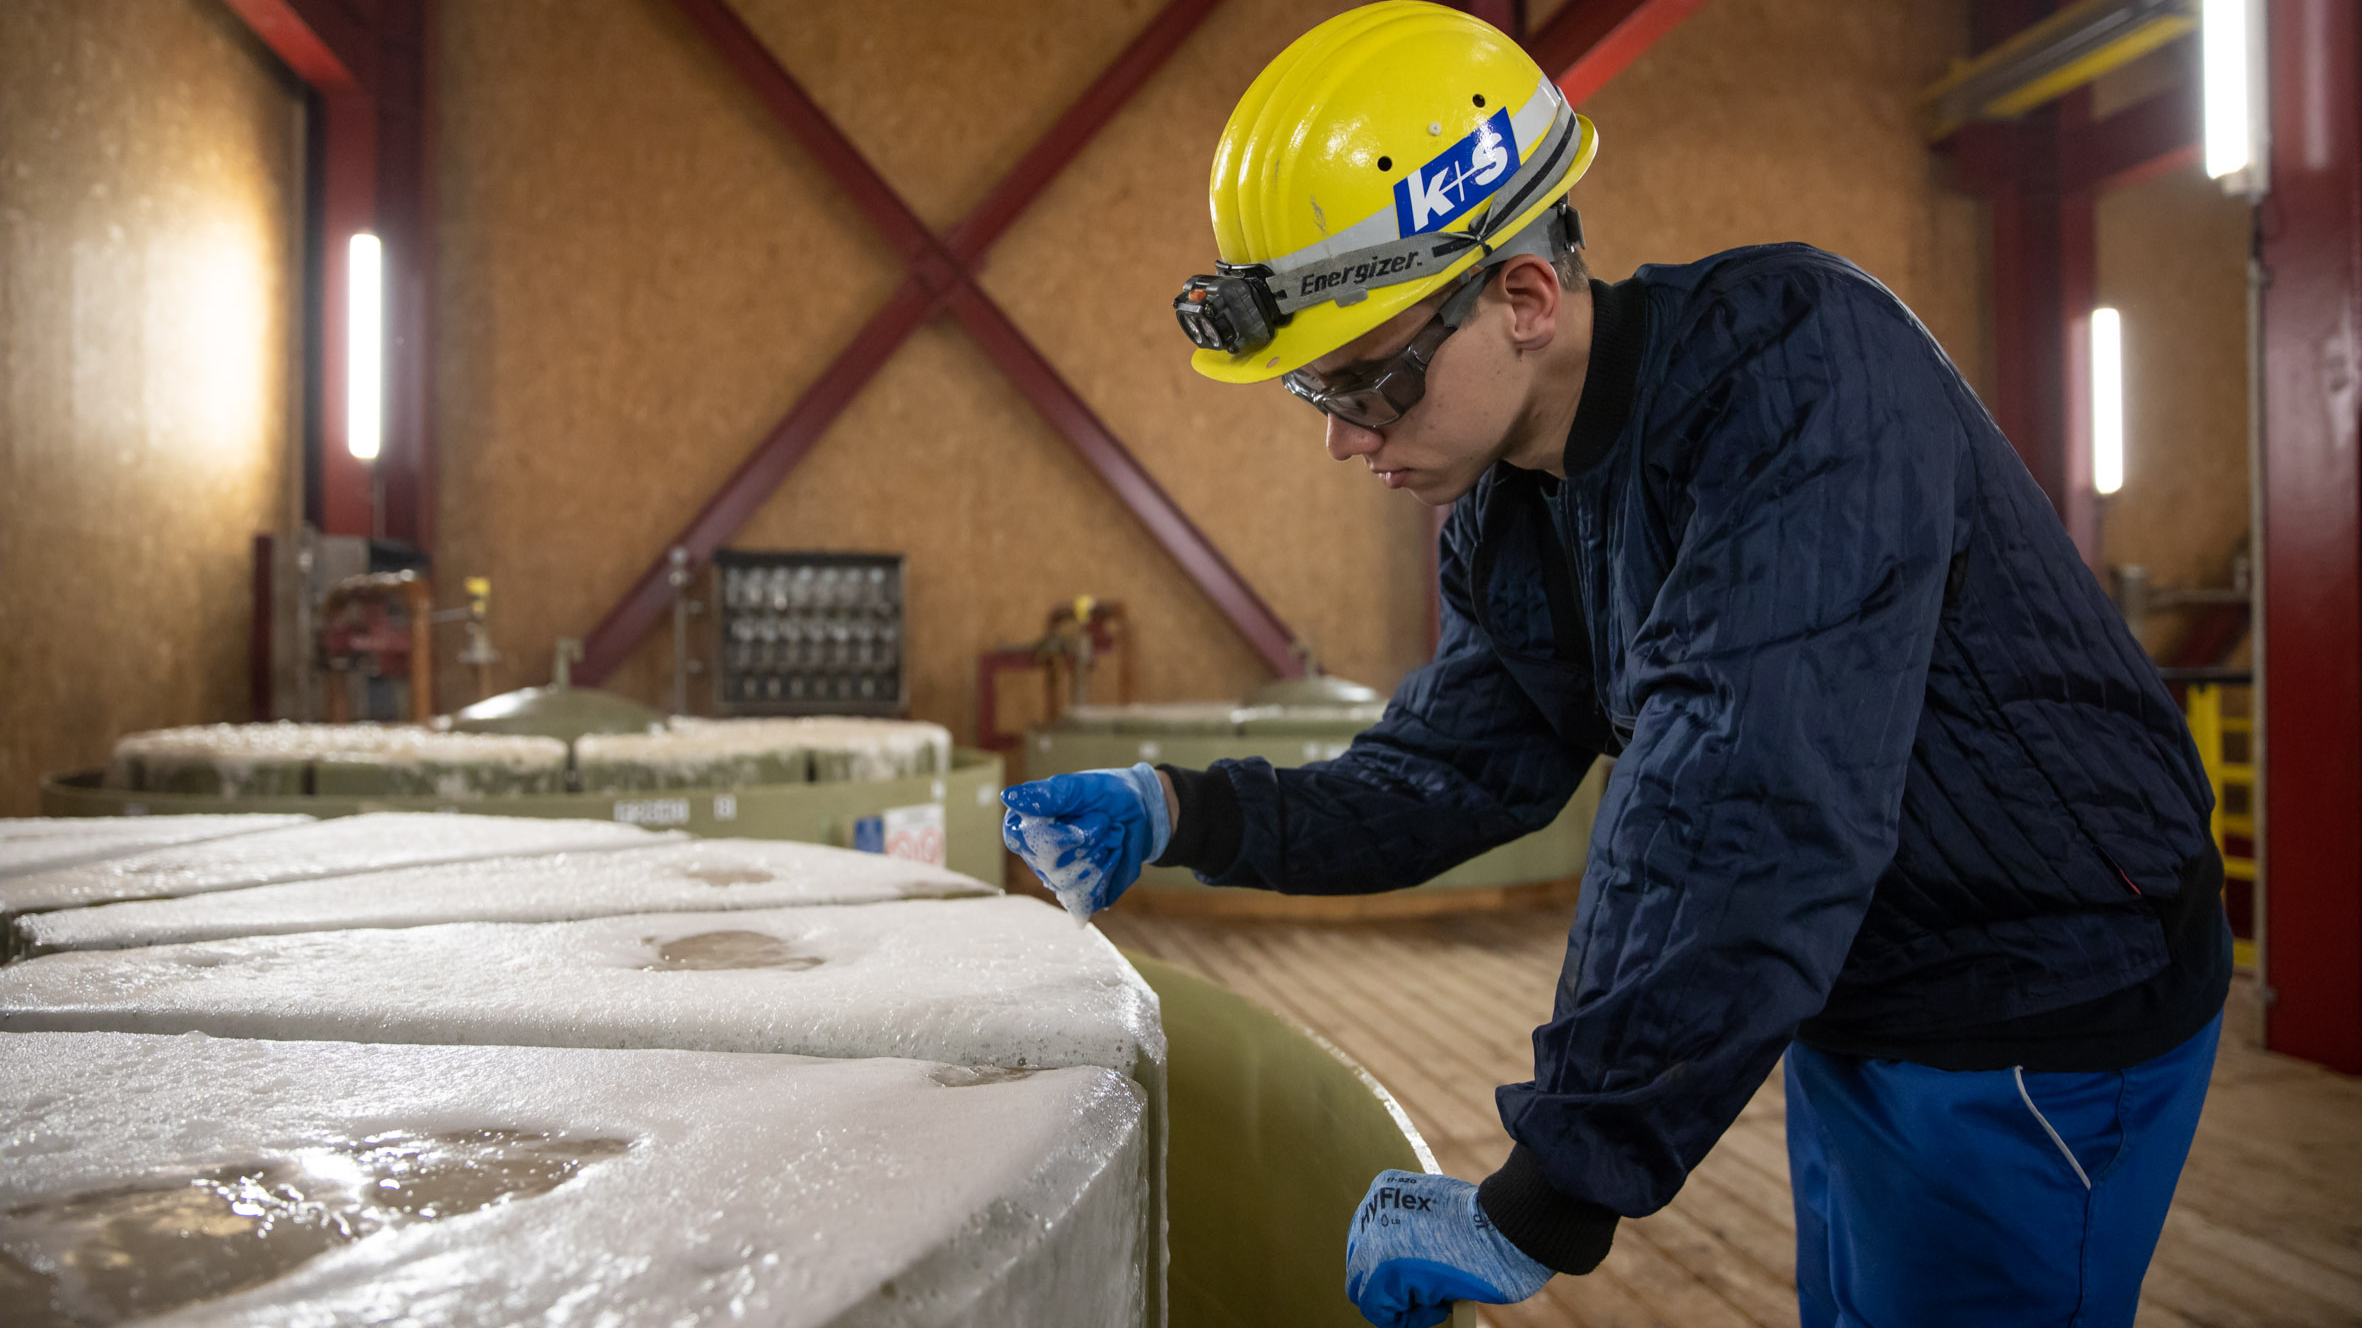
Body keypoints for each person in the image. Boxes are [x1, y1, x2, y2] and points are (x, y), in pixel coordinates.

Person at [1001, 5, 2232, 1326]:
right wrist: (1187, 807)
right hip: (1855, 991)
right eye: (1320, 398)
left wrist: (1549, 1191)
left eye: (1367, 385)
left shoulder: (1796, 376)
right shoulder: (1511, 513)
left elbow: (1740, 804)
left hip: (2037, 1005)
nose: (1347, 444)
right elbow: (1448, 777)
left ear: (1523, 297)